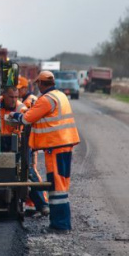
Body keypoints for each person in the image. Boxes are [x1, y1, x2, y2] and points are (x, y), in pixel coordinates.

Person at [11, 70, 80, 232]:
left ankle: (59, 225)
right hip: (64, 143)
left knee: (57, 186)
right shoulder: (60, 95)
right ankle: (62, 224)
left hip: (55, 146)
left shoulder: (46, 100)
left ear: (41, 84)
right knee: (61, 184)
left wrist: (13, 115)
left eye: (38, 84)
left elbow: (27, 118)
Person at [15, 76, 49, 217]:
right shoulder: (27, 100)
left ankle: (42, 204)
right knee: (28, 171)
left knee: (30, 171)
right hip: (27, 141)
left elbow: (28, 120)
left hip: (28, 141)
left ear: (24, 88)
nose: (16, 93)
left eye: (18, 90)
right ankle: (36, 203)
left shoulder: (29, 102)